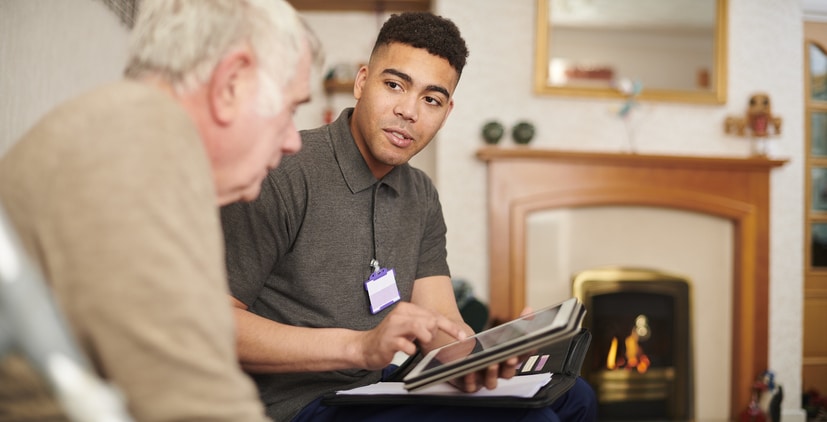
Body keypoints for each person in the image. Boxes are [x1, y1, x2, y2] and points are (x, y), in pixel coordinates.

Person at [220, 11, 597, 422]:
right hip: (295, 405)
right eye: (395, 85)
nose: (409, 111)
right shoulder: (284, 170)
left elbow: (442, 327)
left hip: (373, 387)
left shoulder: (420, 195)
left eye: (431, 99)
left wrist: (488, 356)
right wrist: (359, 347)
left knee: (574, 395)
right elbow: (214, 322)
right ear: (362, 82)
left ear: (447, 112)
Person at [0, 0, 321, 420]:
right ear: (231, 84)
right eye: (290, 109)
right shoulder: (142, 149)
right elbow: (197, 404)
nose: (293, 141)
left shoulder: (129, 129)